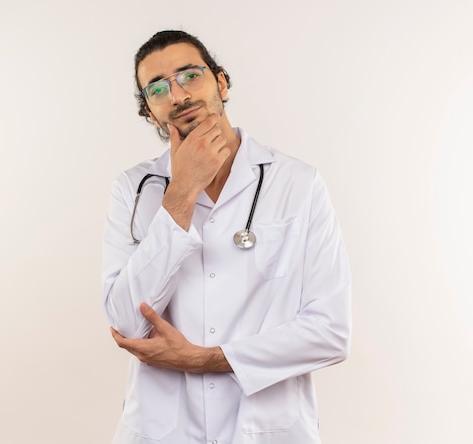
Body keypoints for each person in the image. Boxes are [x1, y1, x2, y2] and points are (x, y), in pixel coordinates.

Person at [101, 30, 351, 444]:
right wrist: (180, 193)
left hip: (268, 430)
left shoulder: (297, 183)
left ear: (221, 82)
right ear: (150, 111)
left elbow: (330, 332)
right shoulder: (133, 189)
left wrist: (208, 360)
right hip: (163, 431)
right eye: (158, 88)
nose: (178, 95)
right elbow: (126, 321)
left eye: (190, 75)